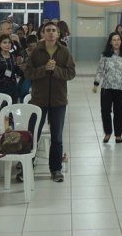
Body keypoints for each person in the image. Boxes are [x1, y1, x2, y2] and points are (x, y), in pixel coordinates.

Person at [24, 22, 76, 182]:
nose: (51, 33)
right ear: (42, 33)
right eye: (48, 30)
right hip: (38, 100)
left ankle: (56, 169)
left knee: (57, 137)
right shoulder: (36, 51)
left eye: (54, 30)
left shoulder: (64, 52)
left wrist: (56, 70)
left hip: (58, 100)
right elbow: (28, 72)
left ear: (58, 34)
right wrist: (44, 69)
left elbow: (71, 73)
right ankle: (26, 167)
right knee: (33, 135)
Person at [92, 31, 122, 143]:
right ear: (110, 42)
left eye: (118, 39)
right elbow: (100, 70)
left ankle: (118, 134)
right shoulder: (105, 55)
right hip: (107, 87)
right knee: (105, 110)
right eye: (114, 40)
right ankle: (108, 132)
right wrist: (96, 83)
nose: (116, 42)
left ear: (121, 41)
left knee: (119, 112)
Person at [0, 33, 23, 104]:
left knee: (12, 109)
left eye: (9, 42)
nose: (7, 44)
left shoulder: (12, 56)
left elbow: (16, 70)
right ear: (0, 44)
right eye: (4, 42)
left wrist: (24, 70)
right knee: (2, 109)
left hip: (13, 87)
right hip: (0, 88)